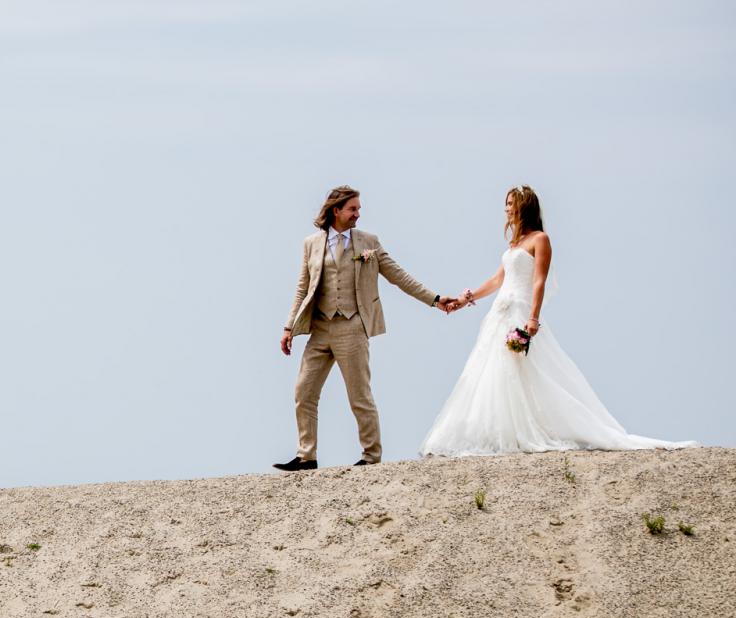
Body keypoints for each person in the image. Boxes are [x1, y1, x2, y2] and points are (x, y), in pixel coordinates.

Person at [420, 186, 695, 456]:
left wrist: (533, 318)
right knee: (492, 371)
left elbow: (539, 280)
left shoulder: (540, 239)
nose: (505, 208)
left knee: (526, 370)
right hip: (499, 311)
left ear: (523, 206)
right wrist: (464, 299)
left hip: (520, 310)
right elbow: (498, 280)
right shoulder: (513, 244)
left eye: (510, 203)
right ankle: (503, 432)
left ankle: (534, 428)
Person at [274, 185, 456, 472]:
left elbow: (399, 276)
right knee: (304, 391)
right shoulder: (311, 243)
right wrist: (288, 327)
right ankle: (306, 456)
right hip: (320, 328)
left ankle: (371, 455)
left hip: (352, 327)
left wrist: (435, 299)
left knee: (359, 395)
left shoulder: (368, 242)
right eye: (353, 209)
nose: (358, 213)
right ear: (336, 210)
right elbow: (302, 288)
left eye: (358, 208)